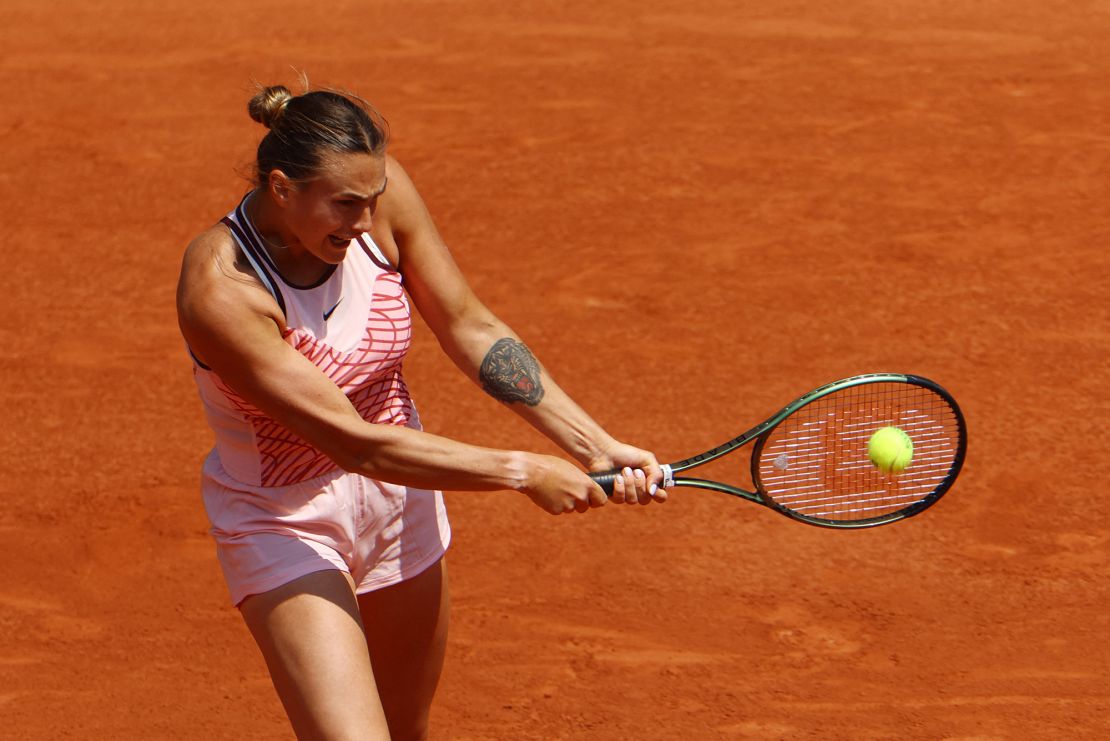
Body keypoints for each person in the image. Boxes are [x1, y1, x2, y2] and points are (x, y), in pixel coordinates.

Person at [175, 82, 666, 741]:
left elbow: (468, 325)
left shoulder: (377, 197)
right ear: (282, 187)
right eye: (344, 204)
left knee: (407, 729)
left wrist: (593, 444)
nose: (363, 221)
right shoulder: (222, 288)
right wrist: (522, 470)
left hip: (399, 499)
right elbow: (354, 442)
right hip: (285, 519)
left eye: (372, 200)